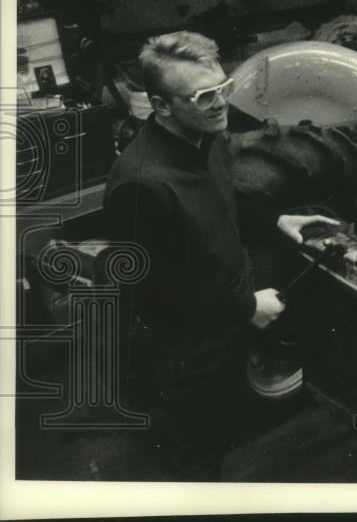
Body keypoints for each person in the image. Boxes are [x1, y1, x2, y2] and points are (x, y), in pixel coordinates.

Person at [104, 30, 337, 480]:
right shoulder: (141, 185)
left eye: (223, 88)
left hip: (227, 319)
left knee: (230, 424)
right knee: (200, 452)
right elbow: (154, 294)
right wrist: (245, 307)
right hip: (192, 349)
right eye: (203, 96)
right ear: (162, 106)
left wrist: (275, 221)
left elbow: (222, 199)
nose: (220, 103)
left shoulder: (204, 138)